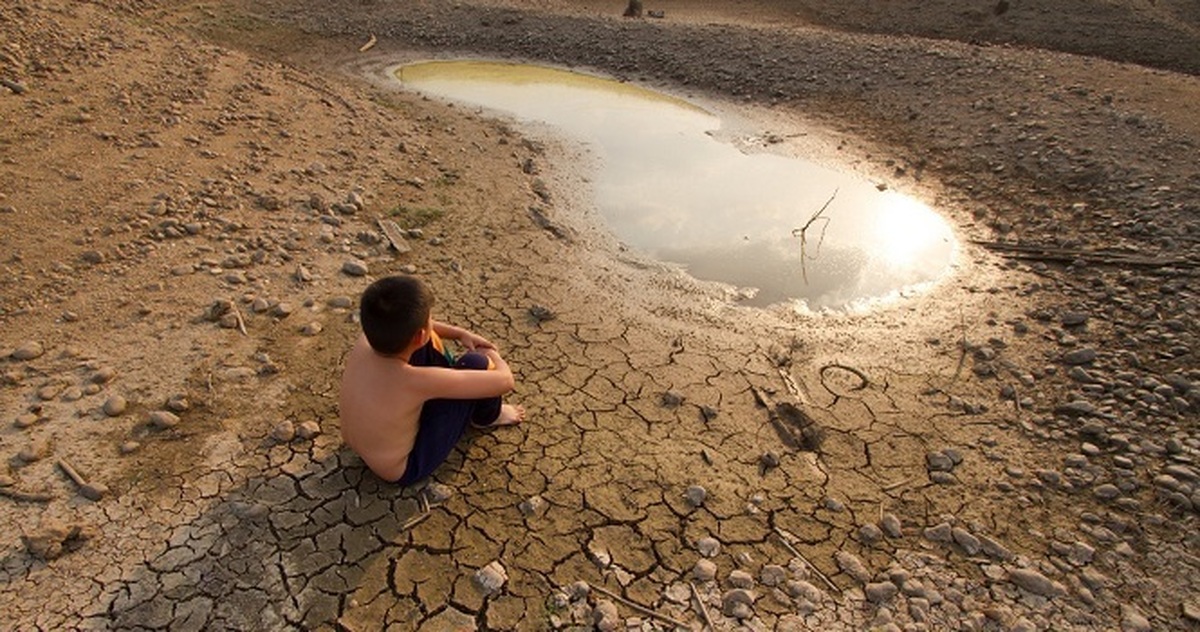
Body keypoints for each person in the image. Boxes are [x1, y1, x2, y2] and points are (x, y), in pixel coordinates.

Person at [339, 275, 525, 485]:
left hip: (362, 446)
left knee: (419, 342)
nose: (432, 322)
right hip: (404, 468)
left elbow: (421, 330)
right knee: (477, 362)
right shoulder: (415, 381)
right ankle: (488, 416)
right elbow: (505, 381)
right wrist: (492, 354)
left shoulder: (366, 341)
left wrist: (460, 334)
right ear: (419, 334)